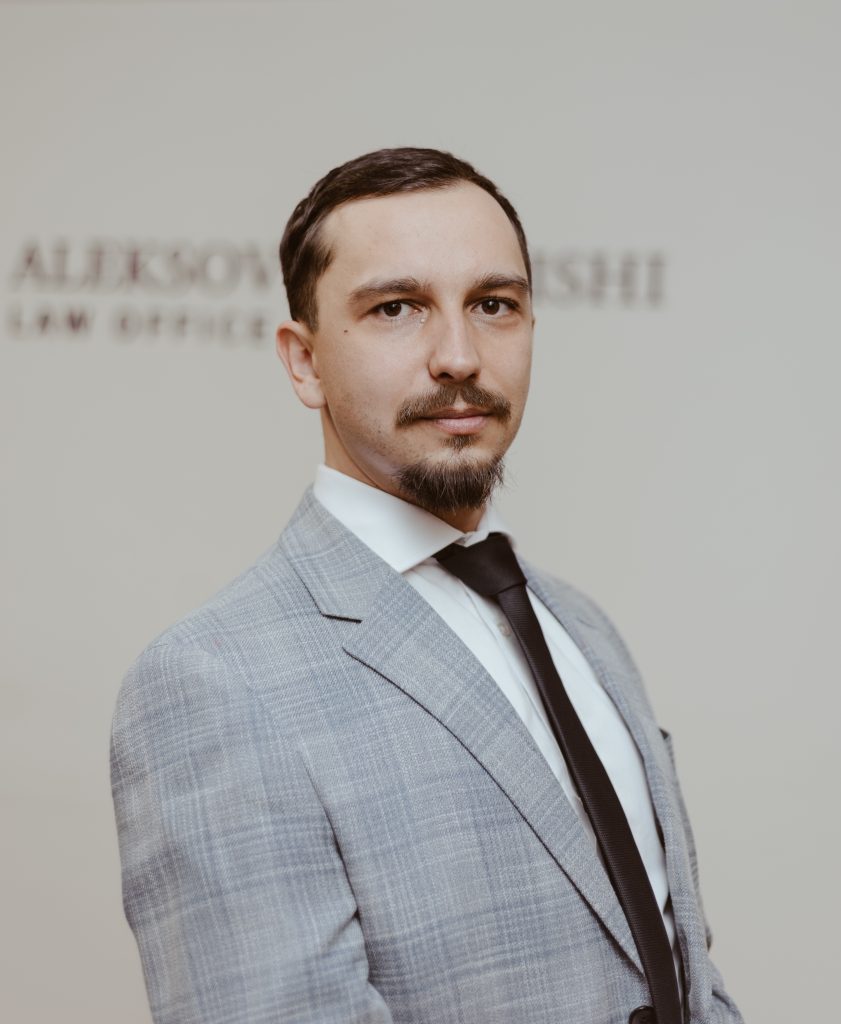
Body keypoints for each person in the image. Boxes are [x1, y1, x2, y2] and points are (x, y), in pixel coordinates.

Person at [111, 147, 743, 1024]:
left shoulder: (581, 626)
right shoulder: (216, 680)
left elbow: (681, 974)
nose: (458, 355)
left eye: (493, 304)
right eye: (396, 308)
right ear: (303, 362)